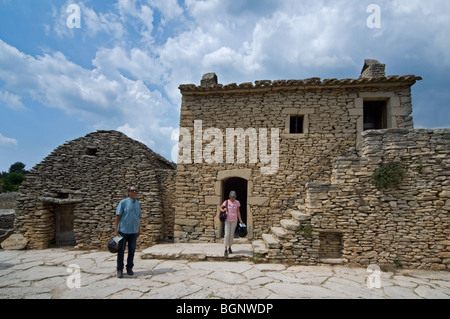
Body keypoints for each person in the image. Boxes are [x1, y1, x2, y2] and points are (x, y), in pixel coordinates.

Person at [114, 186, 141, 278]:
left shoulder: (137, 203)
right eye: (132, 190)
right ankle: (119, 269)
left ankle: (129, 268)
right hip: (123, 230)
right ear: (128, 192)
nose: (134, 192)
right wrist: (116, 229)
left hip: (134, 231)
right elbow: (118, 216)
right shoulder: (123, 203)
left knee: (132, 250)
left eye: (135, 190)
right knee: (121, 250)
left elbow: (138, 217)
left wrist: (139, 229)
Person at [219, 190, 243, 257]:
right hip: (227, 220)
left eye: (233, 197)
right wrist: (223, 210)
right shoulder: (226, 202)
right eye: (231, 197)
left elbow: (238, 211)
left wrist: (240, 220)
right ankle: (225, 248)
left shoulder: (237, 202)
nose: (232, 198)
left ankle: (230, 247)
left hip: (234, 220)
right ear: (230, 197)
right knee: (227, 234)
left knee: (231, 235)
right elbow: (220, 207)